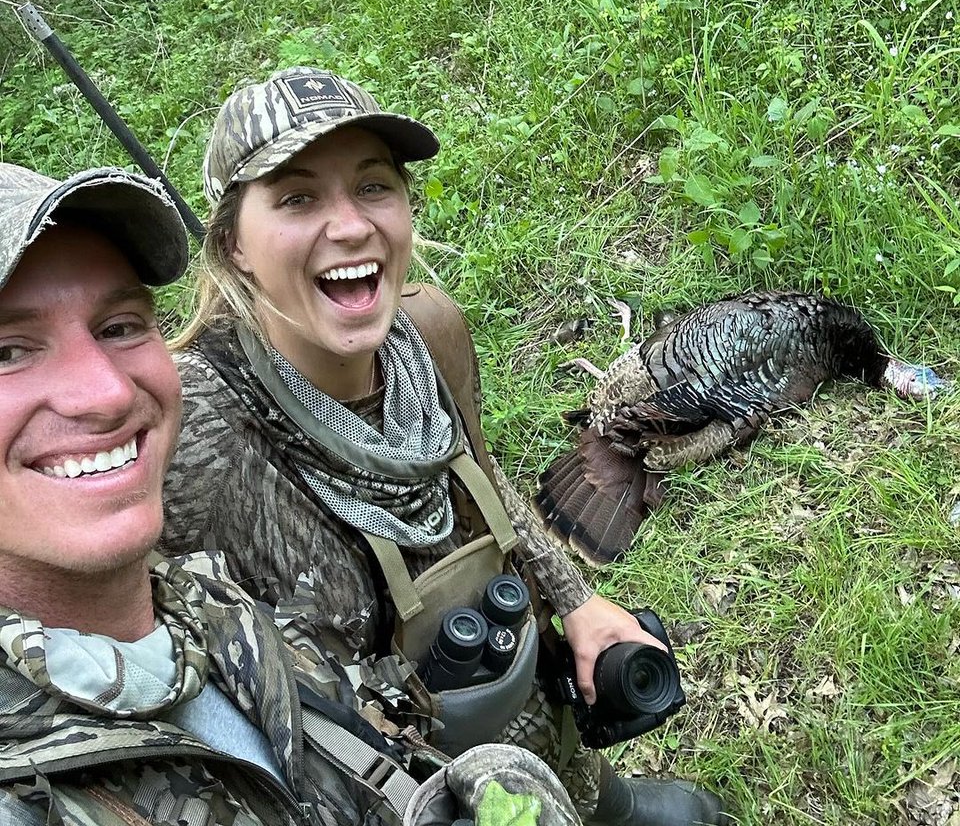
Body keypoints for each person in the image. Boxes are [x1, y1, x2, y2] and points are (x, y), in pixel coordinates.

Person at [162, 67, 731, 826]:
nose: (352, 225)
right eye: (297, 198)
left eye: (373, 186)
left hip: (526, 706)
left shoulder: (424, 332)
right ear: (232, 244)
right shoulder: (192, 423)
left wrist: (577, 601)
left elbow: (482, 494)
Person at [0, 159, 582, 826]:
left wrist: (472, 778)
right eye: (8, 351)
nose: (106, 392)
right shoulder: (209, 426)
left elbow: (476, 471)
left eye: (121, 326)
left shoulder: (206, 603)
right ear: (233, 248)